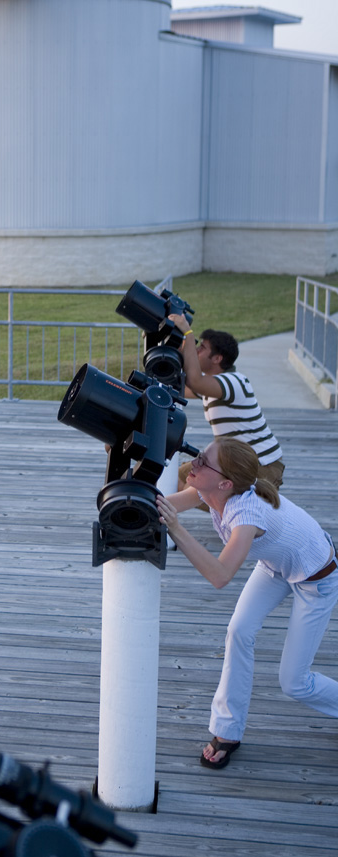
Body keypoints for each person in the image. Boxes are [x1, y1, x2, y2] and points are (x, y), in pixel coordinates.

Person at [156, 437, 338, 770]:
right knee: (238, 631)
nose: (194, 462)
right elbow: (164, 504)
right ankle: (227, 731)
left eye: (202, 461)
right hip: (277, 566)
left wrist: (176, 529)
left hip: (318, 579)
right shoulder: (211, 490)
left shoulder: (246, 514)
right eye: (199, 454)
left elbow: (221, 575)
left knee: (294, 683)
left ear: (225, 482)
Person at [167, 315, 284, 493]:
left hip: (261, 467)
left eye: (202, 348)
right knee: (178, 478)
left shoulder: (233, 382)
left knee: (196, 489)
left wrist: (188, 334)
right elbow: (179, 388)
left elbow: (194, 381)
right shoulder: (214, 384)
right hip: (236, 461)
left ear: (217, 359)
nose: (197, 350)